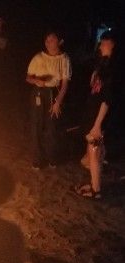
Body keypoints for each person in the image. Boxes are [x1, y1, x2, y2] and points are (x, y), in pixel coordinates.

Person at [75, 32, 117, 199]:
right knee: (91, 154)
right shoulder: (102, 65)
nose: (100, 45)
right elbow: (94, 88)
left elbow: (107, 100)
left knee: (94, 150)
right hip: (92, 112)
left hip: (99, 116)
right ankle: (94, 182)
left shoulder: (113, 69)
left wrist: (98, 124)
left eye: (104, 42)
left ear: (112, 45)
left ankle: (96, 190)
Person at [26, 31, 71, 169]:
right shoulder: (38, 58)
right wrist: (36, 80)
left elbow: (65, 84)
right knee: (36, 126)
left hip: (54, 93)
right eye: (47, 40)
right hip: (39, 93)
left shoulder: (64, 59)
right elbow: (28, 77)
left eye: (52, 39)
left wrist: (58, 102)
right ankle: (37, 159)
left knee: (52, 127)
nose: (48, 42)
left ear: (60, 41)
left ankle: (52, 157)